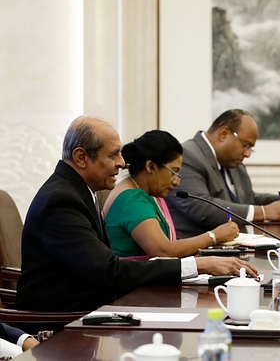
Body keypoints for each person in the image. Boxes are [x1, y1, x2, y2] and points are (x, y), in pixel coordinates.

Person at [17, 116, 257, 313]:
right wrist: (199, 264)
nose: (122, 163)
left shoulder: (78, 191)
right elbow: (109, 272)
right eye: (113, 155)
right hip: (64, 323)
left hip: (96, 308)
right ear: (81, 157)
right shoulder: (61, 201)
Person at [166, 109, 280, 238]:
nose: (248, 154)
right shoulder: (187, 156)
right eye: (246, 145)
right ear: (224, 133)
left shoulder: (231, 161)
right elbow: (201, 207)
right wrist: (264, 212)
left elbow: (248, 199)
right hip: (196, 254)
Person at [103, 130, 239, 258]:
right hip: (132, 281)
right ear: (151, 166)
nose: (177, 182)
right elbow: (163, 251)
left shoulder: (141, 191)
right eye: (174, 172)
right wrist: (214, 236)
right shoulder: (133, 200)